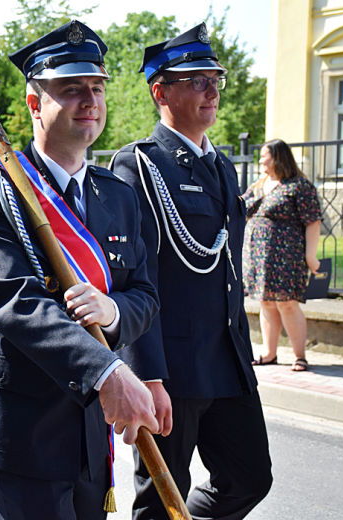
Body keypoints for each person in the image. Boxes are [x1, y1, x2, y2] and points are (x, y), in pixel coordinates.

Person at [0, 21, 160, 520]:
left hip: (90, 431)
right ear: (33, 104)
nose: (89, 100)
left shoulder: (118, 195)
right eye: (70, 90)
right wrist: (108, 370)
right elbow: (10, 301)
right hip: (20, 426)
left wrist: (113, 312)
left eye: (96, 88)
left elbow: (145, 296)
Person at [109, 23, 273, 520]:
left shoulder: (223, 167)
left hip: (227, 361)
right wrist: (148, 373)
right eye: (197, 80)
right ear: (161, 91)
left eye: (214, 80)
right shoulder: (138, 166)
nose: (213, 91)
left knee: (250, 477)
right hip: (173, 367)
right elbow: (136, 277)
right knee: (162, 496)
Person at [245, 139, 322, 372]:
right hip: (258, 256)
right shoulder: (259, 184)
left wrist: (311, 256)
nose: (260, 161)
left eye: (264, 156)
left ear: (278, 157)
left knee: (287, 303)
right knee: (266, 302)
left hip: (286, 256)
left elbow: (313, 221)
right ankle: (269, 354)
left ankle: (300, 356)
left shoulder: (299, 186)